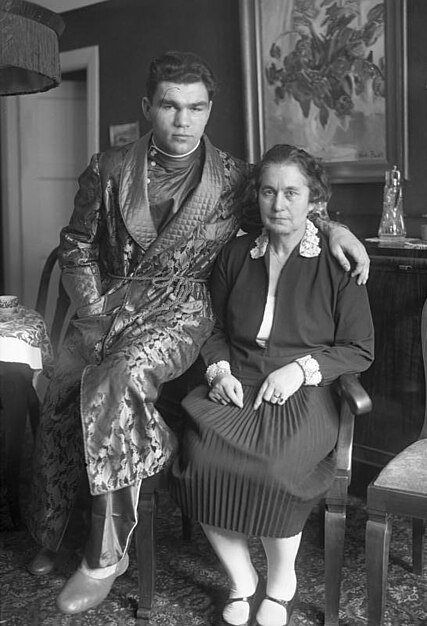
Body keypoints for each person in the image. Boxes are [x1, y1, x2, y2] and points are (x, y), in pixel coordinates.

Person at [27, 51, 370, 615]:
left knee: (118, 378)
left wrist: (335, 228)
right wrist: (91, 317)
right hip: (105, 304)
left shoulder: (235, 177)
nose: (182, 120)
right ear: (148, 107)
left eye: (195, 108)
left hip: (181, 308)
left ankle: (105, 551)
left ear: (210, 111)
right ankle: (51, 530)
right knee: (63, 383)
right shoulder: (108, 167)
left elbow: (286, 203)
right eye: (169, 106)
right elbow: (76, 245)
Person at [170, 144, 374, 626]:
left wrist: (300, 369)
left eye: (291, 192)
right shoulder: (237, 255)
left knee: (278, 468)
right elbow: (211, 329)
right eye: (268, 191)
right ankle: (241, 579)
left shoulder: (337, 259)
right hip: (237, 380)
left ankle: (282, 585)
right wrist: (218, 371)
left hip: (305, 392)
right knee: (200, 458)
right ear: (257, 197)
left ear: (313, 201)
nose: (278, 204)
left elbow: (359, 348)